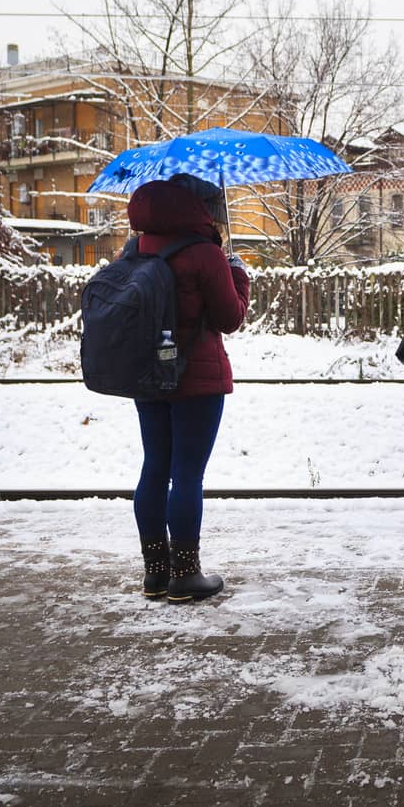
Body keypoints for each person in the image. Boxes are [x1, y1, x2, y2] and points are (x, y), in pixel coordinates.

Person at [126, 173, 251, 604]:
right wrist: (238, 277)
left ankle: (155, 573)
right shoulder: (204, 254)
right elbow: (228, 318)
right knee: (188, 474)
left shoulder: (137, 248)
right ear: (199, 207)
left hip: (148, 375)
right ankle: (186, 574)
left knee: (155, 467)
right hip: (196, 378)